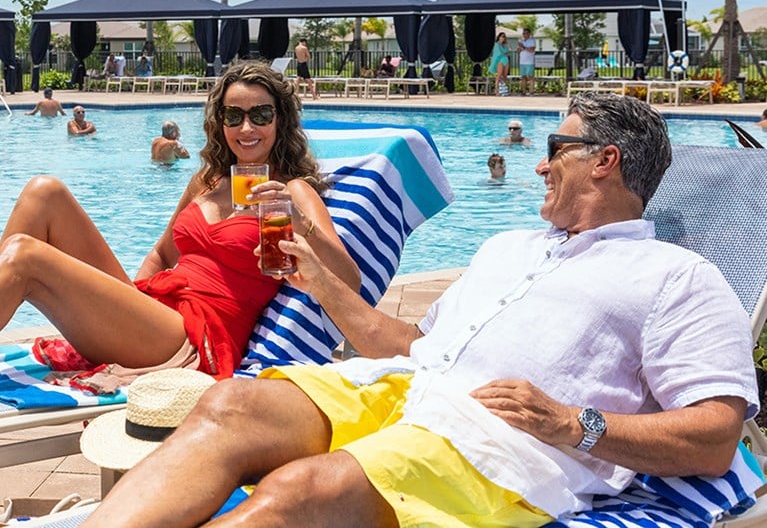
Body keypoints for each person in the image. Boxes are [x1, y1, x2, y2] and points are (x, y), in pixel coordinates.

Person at [78, 93, 757, 528]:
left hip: (498, 444)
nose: (538, 167)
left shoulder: (675, 275)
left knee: (301, 491)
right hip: (404, 387)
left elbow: (715, 436)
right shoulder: (509, 245)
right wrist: (314, 277)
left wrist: (569, 422)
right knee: (232, 402)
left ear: (604, 160)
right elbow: (403, 342)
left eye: (554, 150)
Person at [0, 61, 359, 385]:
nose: (246, 127)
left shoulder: (292, 190)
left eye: (261, 115)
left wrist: (297, 220)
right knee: (43, 192)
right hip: (154, 314)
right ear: (220, 123)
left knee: (24, 257)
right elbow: (161, 253)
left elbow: (351, 282)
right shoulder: (207, 181)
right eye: (234, 116)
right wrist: (128, 304)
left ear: (279, 121)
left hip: (193, 336)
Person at [517, 28, 537, 96]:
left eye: (526, 33)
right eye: (523, 33)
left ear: (529, 34)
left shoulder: (532, 40)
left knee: (531, 77)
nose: (524, 35)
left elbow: (532, 50)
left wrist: (523, 47)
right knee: (523, 77)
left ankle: (531, 92)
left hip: (529, 62)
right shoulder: (520, 40)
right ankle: (523, 92)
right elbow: (518, 51)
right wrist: (519, 48)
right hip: (522, 61)